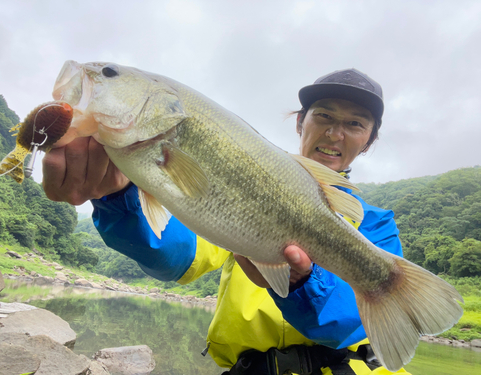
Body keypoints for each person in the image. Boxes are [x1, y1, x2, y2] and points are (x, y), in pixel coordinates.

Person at [42, 69, 412, 375]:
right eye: (324, 116)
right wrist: (116, 198)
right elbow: (177, 256)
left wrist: (302, 282)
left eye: (355, 124)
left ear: (368, 142)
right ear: (301, 122)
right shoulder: (244, 183)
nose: (335, 133)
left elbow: (347, 323)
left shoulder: (377, 225)